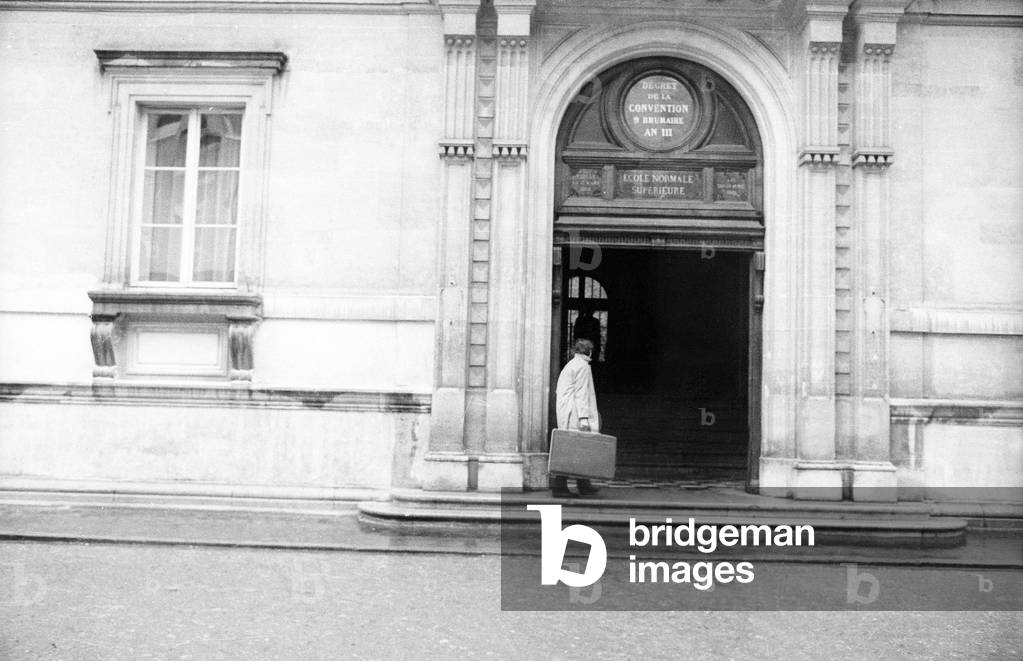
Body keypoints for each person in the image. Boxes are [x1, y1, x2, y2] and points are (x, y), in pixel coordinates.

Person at [552, 338, 601, 498]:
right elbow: (581, 393)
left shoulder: (572, 364)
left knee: (576, 447)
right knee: (575, 448)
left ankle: (583, 483)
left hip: (568, 411)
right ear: (590, 351)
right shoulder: (583, 366)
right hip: (575, 413)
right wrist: (584, 418)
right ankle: (560, 486)